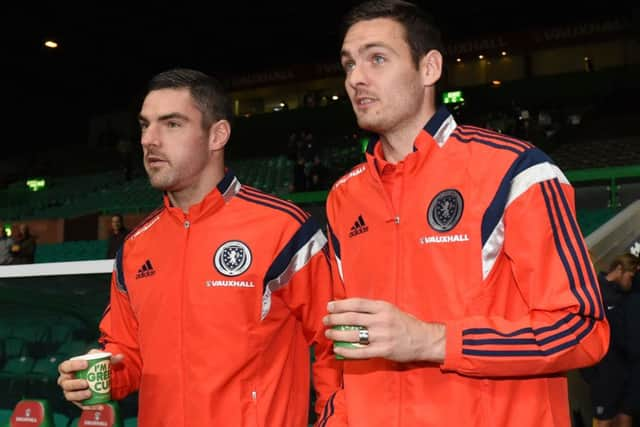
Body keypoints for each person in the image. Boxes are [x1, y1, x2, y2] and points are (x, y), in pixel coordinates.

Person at [320, 1, 610, 426]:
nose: (356, 79)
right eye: (348, 65)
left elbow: (582, 330)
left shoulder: (516, 171)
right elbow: (341, 348)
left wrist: (434, 341)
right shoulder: (344, 197)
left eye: (377, 58)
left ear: (429, 68)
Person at [57, 68, 339, 427]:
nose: (149, 140)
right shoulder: (135, 247)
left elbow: (337, 344)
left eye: (171, 124)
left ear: (217, 135)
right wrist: (96, 378)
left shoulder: (285, 229)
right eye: (145, 125)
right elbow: (126, 354)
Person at [581, 254, 638, 427]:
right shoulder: (595, 294)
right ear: (620, 269)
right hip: (603, 379)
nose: (631, 282)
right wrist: (593, 376)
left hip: (622, 376)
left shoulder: (623, 296)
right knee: (604, 422)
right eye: (630, 277)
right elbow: (584, 337)